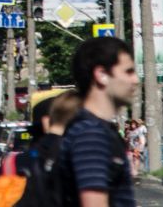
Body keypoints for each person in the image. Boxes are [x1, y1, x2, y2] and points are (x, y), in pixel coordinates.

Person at [64, 36, 139, 207]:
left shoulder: (97, 130)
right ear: (102, 75)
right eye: (128, 71)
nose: (135, 80)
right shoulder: (90, 135)